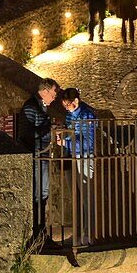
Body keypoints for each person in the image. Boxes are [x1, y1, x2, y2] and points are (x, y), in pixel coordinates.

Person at [20, 78, 60, 238]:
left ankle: (41, 231)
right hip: (36, 154)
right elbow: (29, 133)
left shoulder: (40, 106)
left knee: (43, 192)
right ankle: (38, 232)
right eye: (54, 92)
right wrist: (49, 128)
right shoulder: (31, 107)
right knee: (38, 193)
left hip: (42, 154)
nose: (55, 96)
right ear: (45, 91)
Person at [59, 88, 98, 246]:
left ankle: (89, 233)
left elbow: (88, 142)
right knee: (75, 197)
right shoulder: (69, 116)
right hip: (71, 156)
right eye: (65, 106)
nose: (67, 108)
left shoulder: (87, 115)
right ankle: (78, 232)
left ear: (76, 101)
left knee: (87, 196)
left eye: (68, 105)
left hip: (84, 157)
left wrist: (66, 142)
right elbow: (71, 134)